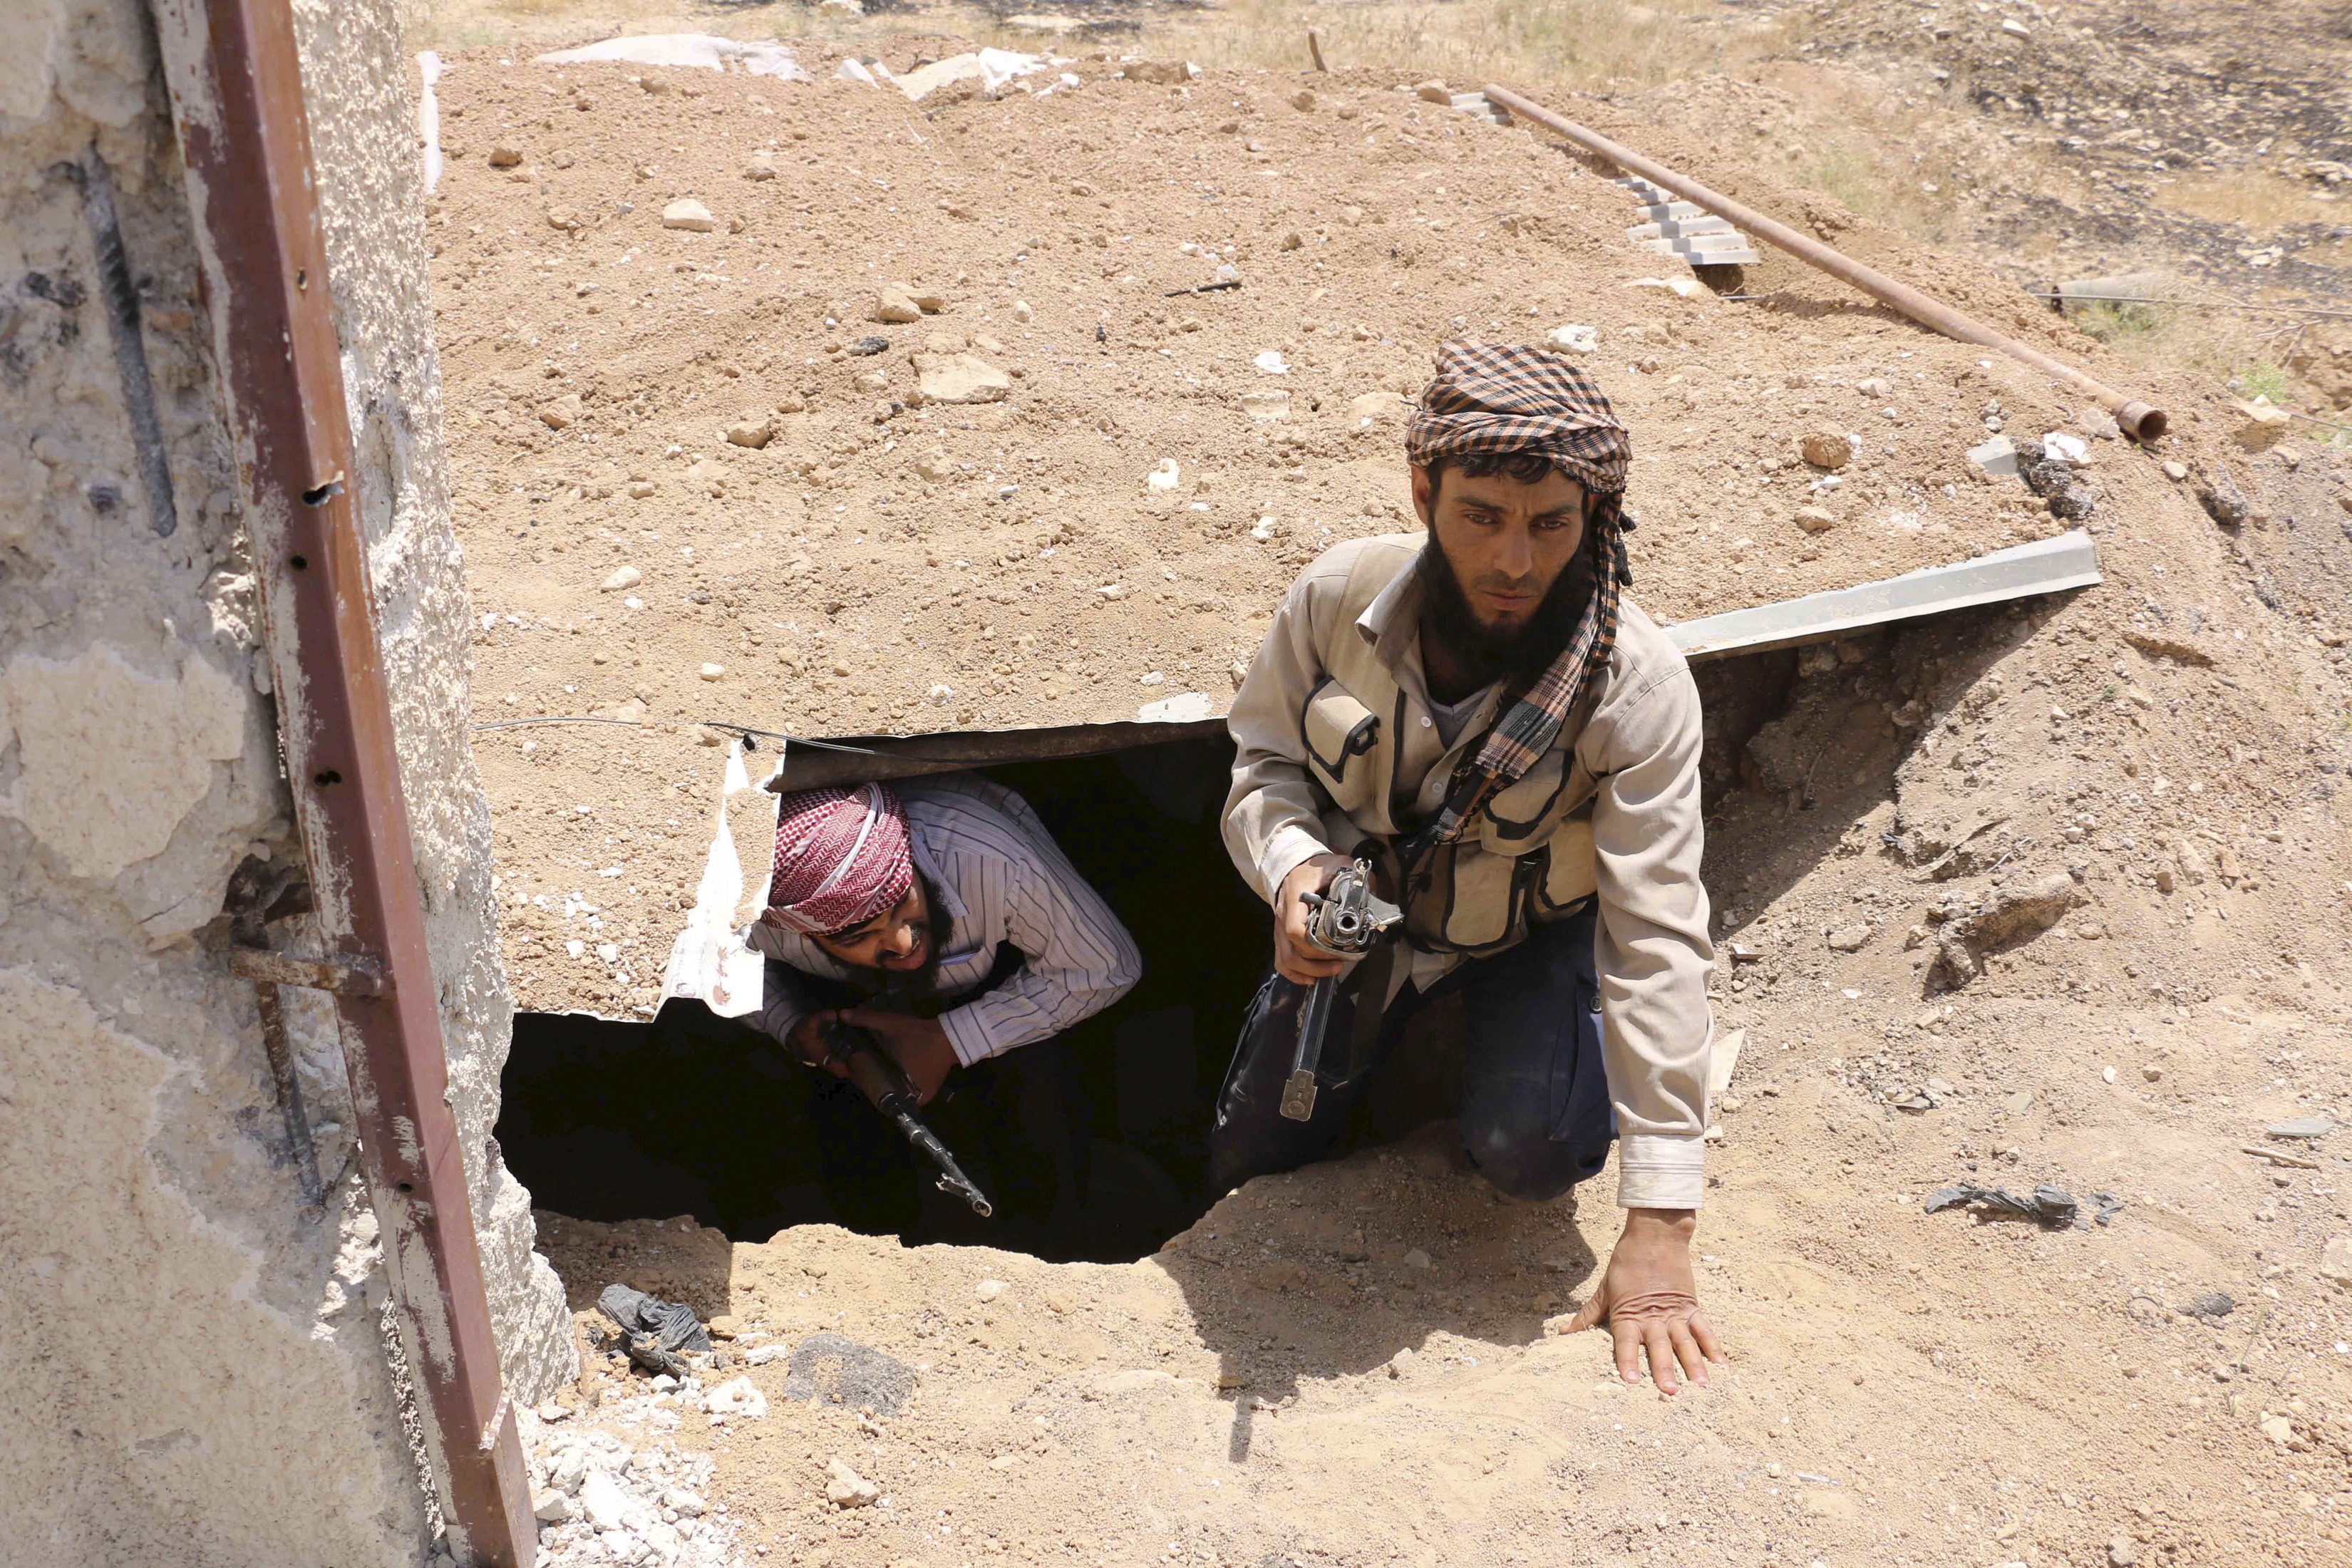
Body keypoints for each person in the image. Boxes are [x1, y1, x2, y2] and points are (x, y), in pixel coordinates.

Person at [1216, 341, 1723, 1396]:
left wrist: (1663, 1225)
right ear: (1423, 494)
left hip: (1531, 937)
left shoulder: (1638, 687)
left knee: (1531, 1151)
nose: (1515, 563)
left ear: (1595, 515)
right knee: (1257, 1154)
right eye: (1482, 517)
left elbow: (1657, 934)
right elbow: (1263, 764)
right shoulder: (1335, 599)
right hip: (1362, 920)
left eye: (1551, 525)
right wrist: (1296, 871)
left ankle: (1521, 1051)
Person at [748, 773, 1140, 1238]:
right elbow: (710, 969)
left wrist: (951, 1041)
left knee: (1039, 1119)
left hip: (1001, 990)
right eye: (859, 936)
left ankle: (1051, 1246)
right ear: (802, 933)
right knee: (856, 1149)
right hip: (848, 1015)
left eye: (902, 904)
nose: (903, 943)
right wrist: (790, 1024)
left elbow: (1102, 966)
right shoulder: (753, 913)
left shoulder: (986, 857)